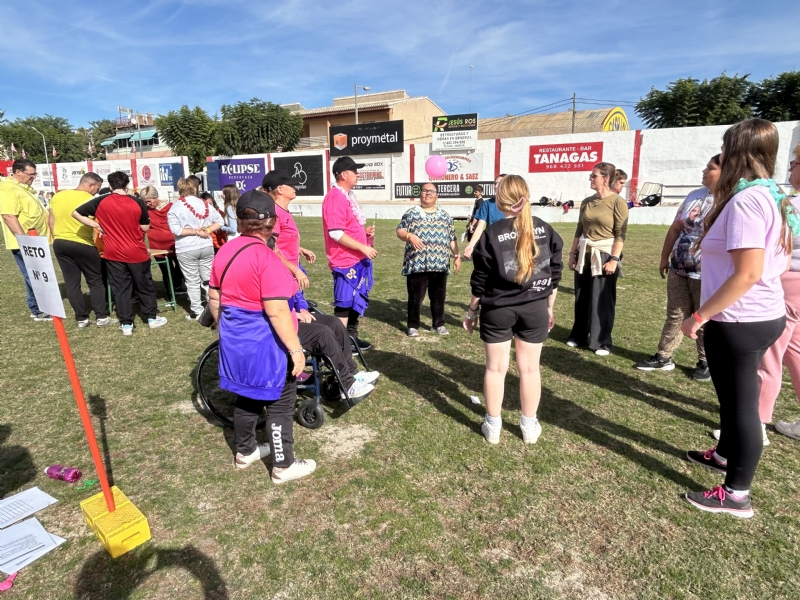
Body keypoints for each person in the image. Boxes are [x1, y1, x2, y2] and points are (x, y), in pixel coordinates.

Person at [681, 118, 797, 518]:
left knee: (741, 406)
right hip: (758, 314)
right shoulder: (770, 195)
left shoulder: (748, 201)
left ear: (741, 154)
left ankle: (736, 494)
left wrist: (699, 315)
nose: (722, 155)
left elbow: (747, 273)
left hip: (740, 319)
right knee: (732, 400)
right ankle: (725, 454)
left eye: (726, 147)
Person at [207, 189, 316, 483]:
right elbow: (278, 311)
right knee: (281, 402)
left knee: (247, 397)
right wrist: (296, 351)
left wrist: (228, 328)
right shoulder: (268, 259)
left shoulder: (225, 251)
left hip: (234, 341)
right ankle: (283, 465)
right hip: (265, 344)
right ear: (272, 223)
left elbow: (214, 298)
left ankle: (246, 451)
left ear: (240, 221)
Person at [463, 175, 563, 445]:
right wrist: (549, 308)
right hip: (534, 308)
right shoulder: (546, 229)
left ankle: (493, 425)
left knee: (496, 369)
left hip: (498, 309)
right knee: (530, 370)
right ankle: (528, 425)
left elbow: (480, 283)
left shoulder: (491, 234)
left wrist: (471, 311)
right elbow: (554, 276)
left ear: (500, 200)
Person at [262, 170, 378, 400]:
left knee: (335, 323)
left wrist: (299, 250)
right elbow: (271, 247)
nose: (295, 187)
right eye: (290, 184)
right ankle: (346, 383)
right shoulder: (274, 212)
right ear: (279, 189)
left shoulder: (284, 212)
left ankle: (349, 375)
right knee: (323, 330)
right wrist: (294, 269)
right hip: (283, 290)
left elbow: (284, 243)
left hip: (290, 289)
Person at [634, 155, 721, 380]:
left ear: (723, 171)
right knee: (675, 313)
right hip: (679, 267)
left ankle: (705, 361)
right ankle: (664, 356)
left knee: (702, 317)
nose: (703, 170)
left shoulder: (729, 200)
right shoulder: (694, 196)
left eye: (709, 168)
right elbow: (675, 228)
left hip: (707, 272)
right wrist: (665, 258)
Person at [73, 171, 168, 336]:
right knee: (144, 285)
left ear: (110, 186)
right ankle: (152, 318)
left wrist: (97, 225)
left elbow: (76, 213)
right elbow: (145, 227)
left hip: (113, 253)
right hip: (136, 251)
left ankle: (126, 324)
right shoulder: (137, 202)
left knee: (121, 289)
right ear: (127, 185)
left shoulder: (100, 201)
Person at [755, 142, 800, 442]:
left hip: (790, 281)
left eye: (795, 164)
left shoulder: (792, 205)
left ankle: (754, 424)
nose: (789, 168)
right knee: (795, 351)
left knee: (769, 352)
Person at [566, 162, 628, 355]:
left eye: (594, 176)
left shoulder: (618, 202)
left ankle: (601, 342)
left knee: (601, 299)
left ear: (606, 178)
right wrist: (572, 254)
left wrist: (614, 259)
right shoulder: (587, 201)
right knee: (582, 296)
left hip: (604, 253)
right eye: (591, 176)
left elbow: (621, 234)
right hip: (585, 252)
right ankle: (579, 335)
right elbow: (579, 228)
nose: (591, 179)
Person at [322, 156, 377, 351]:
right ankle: (341, 343)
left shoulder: (346, 195)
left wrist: (364, 233)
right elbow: (335, 232)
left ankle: (351, 338)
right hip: (344, 260)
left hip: (357, 259)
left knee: (355, 300)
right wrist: (362, 247)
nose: (358, 174)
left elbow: (346, 227)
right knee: (344, 302)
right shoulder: (335, 196)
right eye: (355, 171)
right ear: (344, 174)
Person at [49, 172, 115, 327]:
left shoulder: (57, 197)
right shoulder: (91, 200)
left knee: (71, 283)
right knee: (95, 280)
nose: (96, 192)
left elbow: (51, 221)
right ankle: (101, 316)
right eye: (97, 188)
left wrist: (57, 238)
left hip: (59, 242)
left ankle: (81, 318)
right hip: (83, 244)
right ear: (90, 185)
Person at [396, 182, 460, 336]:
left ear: (437, 195)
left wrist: (457, 256)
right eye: (425, 191)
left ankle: (438, 324)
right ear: (421, 194)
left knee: (438, 297)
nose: (428, 193)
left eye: (431, 191)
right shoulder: (412, 213)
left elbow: (452, 238)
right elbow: (400, 230)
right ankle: (413, 325)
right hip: (417, 264)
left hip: (440, 264)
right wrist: (409, 236)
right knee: (415, 297)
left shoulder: (445, 216)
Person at [0, 159, 52, 320]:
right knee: (33, 275)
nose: (34, 177)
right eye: (31, 174)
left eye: (35, 174)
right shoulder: (8, 189)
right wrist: (24, 241)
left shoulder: (23, 188)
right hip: (25, 242)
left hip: (36, 240)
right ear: (18, 172)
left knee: (35, 274)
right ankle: (39, 308)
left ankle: (37, 306)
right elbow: (9, 216)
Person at [167, 178, 223, 320]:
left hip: (186, 247)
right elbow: (220, 221)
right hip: (205, 245)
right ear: (195, 189)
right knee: (208, 278)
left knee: (192, 280)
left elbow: (176, 230)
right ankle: (212, 305)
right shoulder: (204, 204)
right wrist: (207, 230)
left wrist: (196, 231)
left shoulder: (176, 207)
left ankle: (197, 310)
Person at [140, 185, 184, 295]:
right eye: (145, 202)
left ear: (156, 197)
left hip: (175, 244)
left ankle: (177, 284)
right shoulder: (145, 211)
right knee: (166, 271)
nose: (148, 204)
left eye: (149, 201)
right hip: (157, 247)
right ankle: (170, 294)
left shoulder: (171, 207)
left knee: (180, 267)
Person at [463, 174, 507, 259]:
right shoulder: (487, 204)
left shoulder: (515, 204)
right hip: (492, 245)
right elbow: (480, 227)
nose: (496, 186)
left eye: (500, 183)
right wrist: (471, 246)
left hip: (509, 246)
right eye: (495, 183)